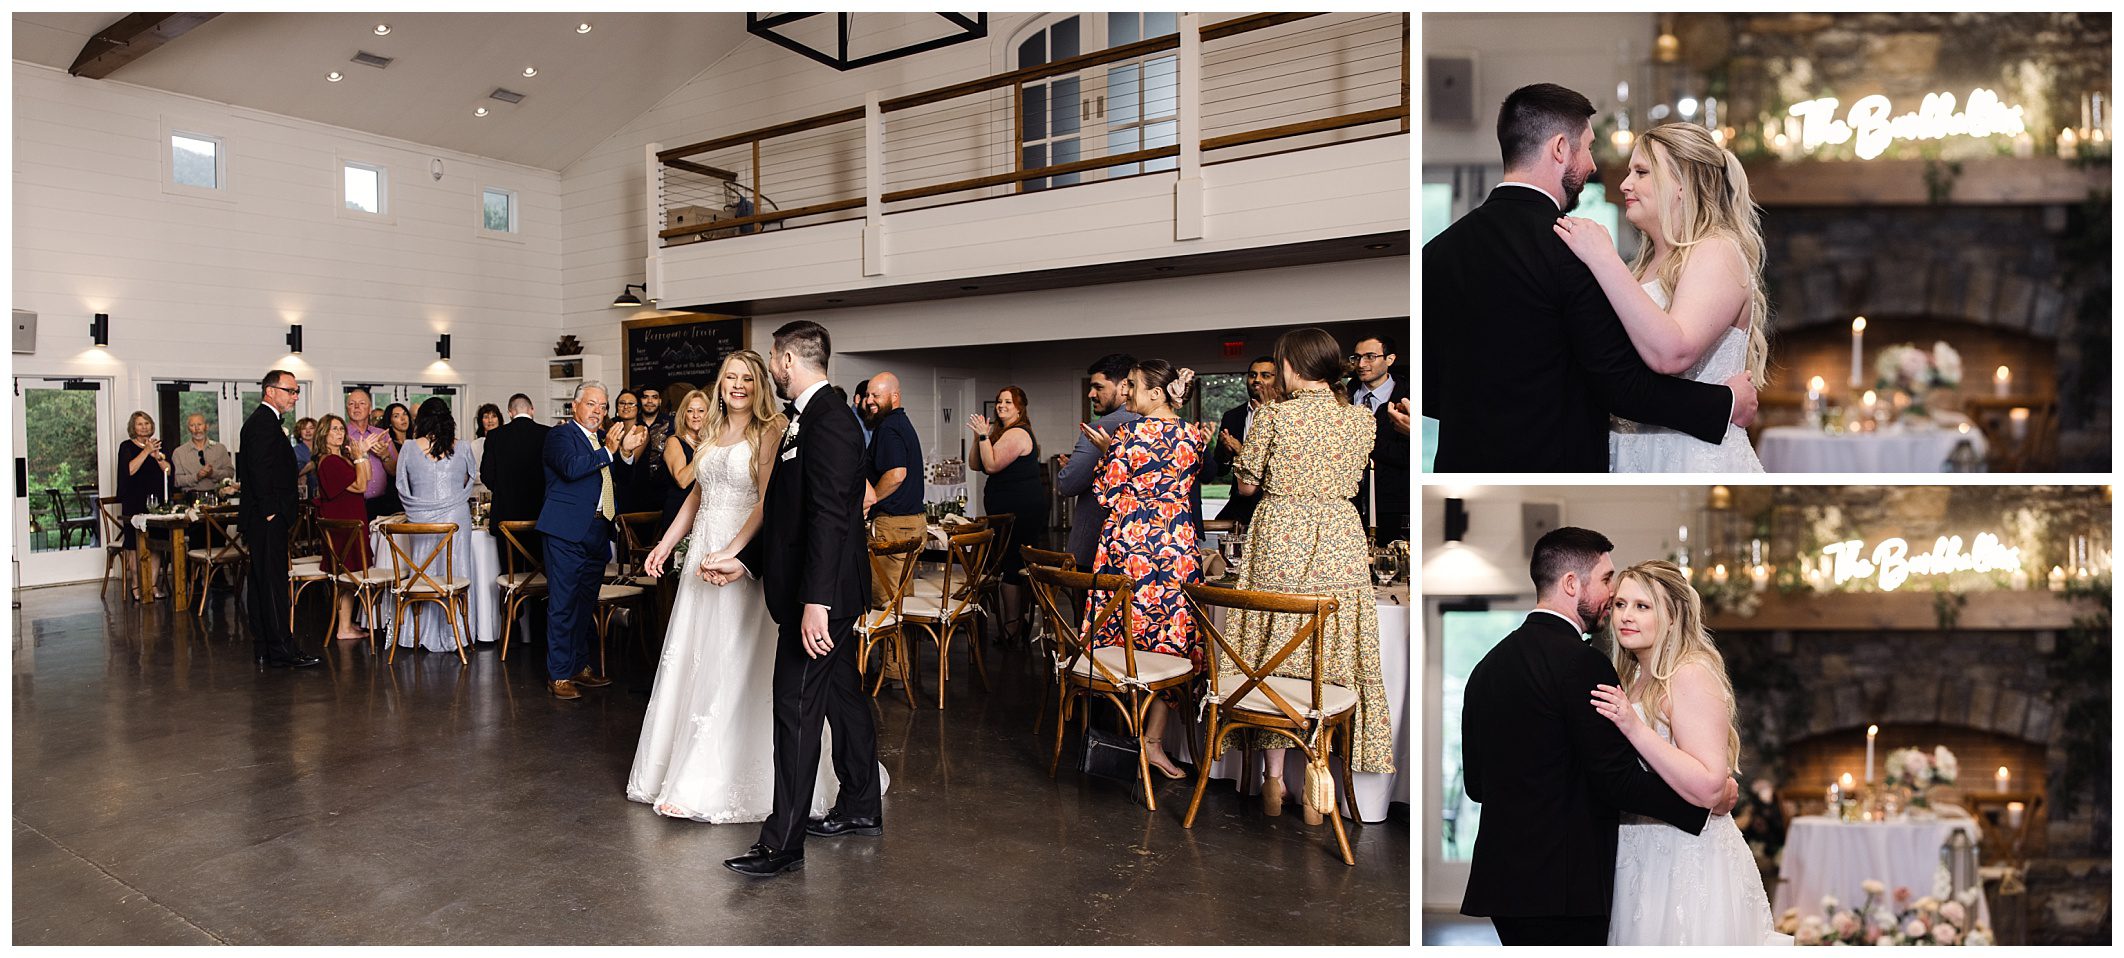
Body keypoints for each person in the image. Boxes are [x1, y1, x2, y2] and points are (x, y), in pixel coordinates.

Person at [1422, 82, 1757, 472]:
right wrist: (1724, 402)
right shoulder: (1571, 247)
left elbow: (1432, 391)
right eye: (1589, 147)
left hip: (1465, 463)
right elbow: (1618, 384)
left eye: (1641, 172)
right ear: (1561, 149)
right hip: (1559, 461)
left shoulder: (1437, 251)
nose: (1599, 168)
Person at [632, 349, 891, 824]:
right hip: (706, 551)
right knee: (697, 661)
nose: (737, 385)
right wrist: (667, 544)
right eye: (729, 377)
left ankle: (722, 783)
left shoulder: (773, 429)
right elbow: (698, 493)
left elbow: (775, 504)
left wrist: (735, 552)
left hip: (749, 553)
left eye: (747, 377)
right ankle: (684, 769)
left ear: (763, 381)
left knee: (740, 663)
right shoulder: (711, 430)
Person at [1459, 527, 1737, 945]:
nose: (1615, 601)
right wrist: (1706, 806)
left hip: (1502, 884)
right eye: (1609, 583)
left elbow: (1477, 785)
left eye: (1639, 604)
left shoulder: (1486, 668)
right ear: (1572, 584)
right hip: (1565, 885)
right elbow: (1615, 780)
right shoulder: (1584, 664)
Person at [699, 320, 883, 879]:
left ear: (787, 359)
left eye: (774, 358)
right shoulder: (807, 419)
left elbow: (831, 518)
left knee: (795, 710)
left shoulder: (829, 421)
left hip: (820, 598)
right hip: (816, 589)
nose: (771, 367)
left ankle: (783, 843)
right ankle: (859, 805)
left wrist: (817, 602)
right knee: (842, 699)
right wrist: (746, 561)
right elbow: (790, 516)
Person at [1226, 328, 1386, 824]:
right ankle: (1320, 775)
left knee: (1276, 649)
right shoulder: (1361, 420)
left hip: (1281, 532)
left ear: (1292, 366)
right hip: (1339, 533)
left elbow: (1248, 487)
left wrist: (1245, 458)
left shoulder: (1274, 414)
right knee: (1331, 646)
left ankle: (1273, 780)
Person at [1590, 560, 1790, 945]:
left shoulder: (1689, 673)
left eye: (1642, 606)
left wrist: (1632, 726)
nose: (1625, 617)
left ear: (1672, 616)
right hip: (1638, 853)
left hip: (1687, 854)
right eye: (1620, 605)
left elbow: (1710, 786)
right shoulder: (1630, 678)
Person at [1553, 122, 1770, 473]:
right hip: (1627, 455)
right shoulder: (1641, 269)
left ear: (1682, 184)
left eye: (1641, 172)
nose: (1625, 184)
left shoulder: (1717, 251)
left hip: (1692, 456)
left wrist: (1603, 257)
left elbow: (1674, 352)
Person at [1077, 359, 1205, 781]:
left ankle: (1122, 738)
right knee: (1172, 645)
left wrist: (1105, 454)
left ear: (1155, 393)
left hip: (1129, 547)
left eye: (1133, 386)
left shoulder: (1127, 434)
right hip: (1175, 549)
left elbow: (1106, 491)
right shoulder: (1192, 434)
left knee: (1120, 637)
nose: (1126, 392)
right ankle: (1152, 743)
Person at [536, 382, 646, 699]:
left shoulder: (601, 440)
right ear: (575, 406)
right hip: (565, 532)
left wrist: (624, 455)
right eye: (592, 404)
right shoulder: (560, 436)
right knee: (563, 603)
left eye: (603, 406)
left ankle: (578, 668)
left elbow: (619, 480)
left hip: (598, 532)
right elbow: (571, 469)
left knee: (585, 604)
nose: (598, 411)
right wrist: (610, 451)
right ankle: (558, 675)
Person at [238, 370, 319, 669]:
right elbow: (259, 471)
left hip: (264, 516)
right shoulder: (262, 423)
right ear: (271, 391)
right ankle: (282, 649)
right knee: (272, 584)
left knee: (263, 582)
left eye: (296, 391)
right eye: (291, 390)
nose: (295, 396)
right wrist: (272, 510)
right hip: (267, 516)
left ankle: (265, 648)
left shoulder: (265, 422)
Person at [392, 399, 481, 652]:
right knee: (457, 571)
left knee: (423, 570)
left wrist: (418, 508)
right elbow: (469, 478)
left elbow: (401, 485)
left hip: (419, 518)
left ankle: (416, 633)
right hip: (456, 517)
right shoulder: (462, 447)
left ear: (422, 420)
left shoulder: (409, 448)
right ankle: (458, 634)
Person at [966, 385, 1043, 641]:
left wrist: (984, 436)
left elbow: (992, 464)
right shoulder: (1002, 432)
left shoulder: (1018, 434)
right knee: (1006, 564)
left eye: (1008, 402)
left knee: (1012, 565)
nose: (1002, 406)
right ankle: (1015, 623)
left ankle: (1012, 628)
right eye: (1000, 401)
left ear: (1020, 407)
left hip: (1019, 512)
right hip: (1004, 512)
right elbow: (976, 464)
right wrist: (981, 437)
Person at [1055, 353, 1139, 570]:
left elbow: (1069, 484)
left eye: (1098, 387)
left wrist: (1071, 470)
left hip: (1096, 542)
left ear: (1123, 386)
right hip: (1140, 546)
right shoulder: (1152, 425)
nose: (1091, 394)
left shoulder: (1100, 428)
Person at [862, 373, 925, 603]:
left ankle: (892, 641)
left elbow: (897, 474)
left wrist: (871, 499)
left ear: (894, 397)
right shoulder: (901, 423)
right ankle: (903, 641)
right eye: (868, 395)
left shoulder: (888, 428)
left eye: (876, 395)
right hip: (912, 523)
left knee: (883, 603)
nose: (869, 400)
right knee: (900, 603)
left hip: (894, 525)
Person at [312, 414, 376, 641]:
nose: (339, 433)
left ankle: (345, 626)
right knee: (346, 575)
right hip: (343, 525)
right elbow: (359, 486)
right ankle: (343, 627)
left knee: (349, 577)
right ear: (324, 434)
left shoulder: (342, 458)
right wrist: (359, 457)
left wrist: (362, 454)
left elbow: (366, 478)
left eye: (341, 429)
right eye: (334, 429)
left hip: (351, 519)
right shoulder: (329, 461)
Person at [1348, 335, 1410, 543]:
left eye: (1370, 357)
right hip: (1347, 504)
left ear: (1390, 359)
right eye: (1356, 358)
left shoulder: (1409, 397)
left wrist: (1361, 438)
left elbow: (1408, 455)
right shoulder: (1341, 398)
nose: (1361, 364)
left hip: (1392, 504)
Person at [1214, 355, 1278, 526]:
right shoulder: (1232, 416)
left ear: (1278, 380)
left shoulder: (1285, 415)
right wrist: (1228, 453)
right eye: (1252, 375)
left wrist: (1242, 451)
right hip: (1240, 507)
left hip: (1272, 506)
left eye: (1265, 375)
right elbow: (1220, 469)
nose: (1257, 380)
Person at [115, 410, 173, 598]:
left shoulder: (159, 446)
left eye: (147, 423)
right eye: (140, 424)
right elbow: (129, 470)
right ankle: (137, 586)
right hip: (134, 502)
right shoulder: (126, 446)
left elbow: (168, 471)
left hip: (155, 503)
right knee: (134, 546)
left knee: (155, 544)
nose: (144, 427)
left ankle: (153, 585)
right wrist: (146, 451)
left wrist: (156, 456)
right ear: (133, 427)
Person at [345, 389, 400, 520]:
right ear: (347, 409)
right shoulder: (341, 435)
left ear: (370, 409)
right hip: (352, 501)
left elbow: (395, 471)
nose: (357, 407)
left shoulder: (381, 434)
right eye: (352, 403)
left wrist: (384, 455)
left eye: (362, 403)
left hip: (382, 503)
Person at [171, 413, 234, 499]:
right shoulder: (179, 452)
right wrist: (197, 476)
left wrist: (212, 473)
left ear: (206, 426)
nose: (197, 429)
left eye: (199, 424)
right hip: (190, 498)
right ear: (188, 429)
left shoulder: (219, 448)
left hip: (217, 497)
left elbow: (230, 473)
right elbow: (176, 480)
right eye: (192, 425)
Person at [292, 417, 319, 501]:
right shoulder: (295, 451)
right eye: (304, 428)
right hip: (304, 495)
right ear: (299, 432)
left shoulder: (323, 449)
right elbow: (292, 474)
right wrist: (308, 467)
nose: (308, 431)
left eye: (311, 428)